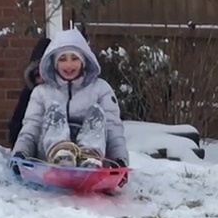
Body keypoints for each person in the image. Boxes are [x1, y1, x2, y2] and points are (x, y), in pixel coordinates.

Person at [11, 27, 128, 173]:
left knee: (96, 113)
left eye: (74, 58)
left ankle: (89, 156)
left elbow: (113, 127)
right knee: (54, 110)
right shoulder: (41, 92)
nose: (68, 65)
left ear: (83, 61)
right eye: (62, 59)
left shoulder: (101, 89)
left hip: (93, 152)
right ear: (54, 63)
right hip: (49, 154)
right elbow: (31, 127)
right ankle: (61, 154)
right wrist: (21, 153)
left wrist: (120, 160)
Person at [7, 35, 50, 147]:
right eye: (37, 74)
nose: (41, 79)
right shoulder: (29, 94)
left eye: (46, 74)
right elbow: (16, 125)